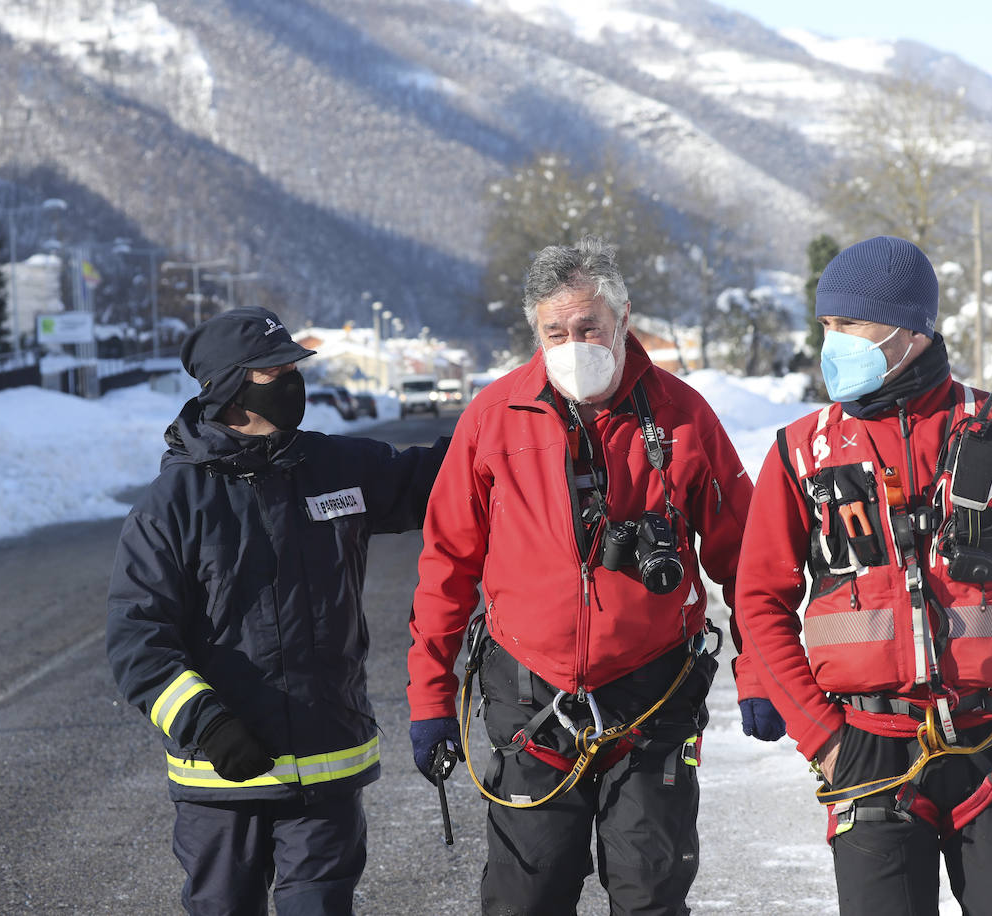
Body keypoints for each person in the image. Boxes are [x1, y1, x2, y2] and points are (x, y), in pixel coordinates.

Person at [734, 236, 992, 916]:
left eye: (848, 325)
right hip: (866, 754)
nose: (833, 343)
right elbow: (758, 597)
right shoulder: (801, 450)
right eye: (826, 325)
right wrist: (821, 736)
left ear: (909, 328)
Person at [405, 236, 784, 915]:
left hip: (653, 697)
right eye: (556, 331)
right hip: (531, 703)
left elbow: (747, 562)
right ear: (535, 331)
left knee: (651, 896)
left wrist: (761, 677)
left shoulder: (683, 416)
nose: (573, 343)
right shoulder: (493, 419)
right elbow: (444, 571)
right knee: (527, 898)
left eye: (588, 328)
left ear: (622, 319)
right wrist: (431, 701)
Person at [106, 305, 445, 915]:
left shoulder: (335, 467)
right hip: (222, 779)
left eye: (293, 364)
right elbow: (138, 642)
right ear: (232, 386)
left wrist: (507, 426)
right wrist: (208, 726)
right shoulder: (172, 505)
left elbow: (441, 477)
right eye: (275, 370)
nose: (293, 378)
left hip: (327, 766)